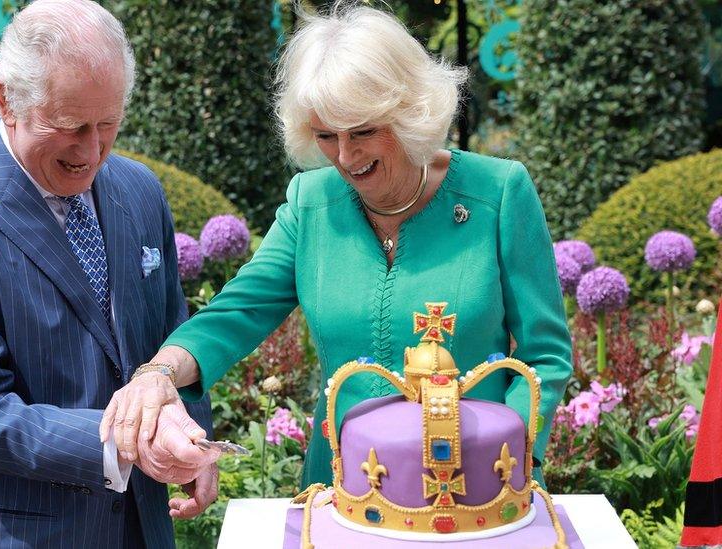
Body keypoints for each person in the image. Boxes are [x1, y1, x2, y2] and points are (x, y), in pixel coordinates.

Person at [101, 3, 573, 491]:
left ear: (410, 112)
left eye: (365, 132)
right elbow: (234, 314)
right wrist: (158, 372)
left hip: (475, 484)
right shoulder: (311, 204)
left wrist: (515, 455)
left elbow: (545, 353)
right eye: (327, 136)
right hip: (344, 486)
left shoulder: (498, 193)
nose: (346, 158)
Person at [0, 1, 218, 547]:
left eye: (108, 124)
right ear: (6, 100)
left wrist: (193, 438)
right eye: (68, 126)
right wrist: (132, 439)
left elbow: (172, 337)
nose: (91, 151)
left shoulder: (140, 191)